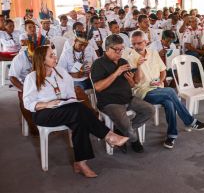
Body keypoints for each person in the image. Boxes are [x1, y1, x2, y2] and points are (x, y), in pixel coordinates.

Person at [23, 45, 129, 177]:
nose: (55, 57)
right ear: (41, 60)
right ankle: (109, 136)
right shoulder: (32, 77)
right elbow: (27, 103)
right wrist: (47, 104)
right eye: (51, 55)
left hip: (65, 107)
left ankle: (81, 163)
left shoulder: (61, 72)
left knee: (79, 120)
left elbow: (70, 93)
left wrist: (70, 100)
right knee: (79, 111)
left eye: (54, 54)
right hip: (43, 112)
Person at [126, 31, 204, 149]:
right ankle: (189, 121)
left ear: (146, 42)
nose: (136, 47)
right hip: (142, 92)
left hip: (157, 88)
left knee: (170, 102)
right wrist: (138, 65)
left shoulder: (153, 53)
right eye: (134, 44)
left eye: (139, 43)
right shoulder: (130, 58)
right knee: (170, 92)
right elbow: (136, 82)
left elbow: (163, 70)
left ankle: (172, 135)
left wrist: (161, 80)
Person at [91, 34, 154, 152]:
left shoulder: (123, 61)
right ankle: (134, 140)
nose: (120, 52)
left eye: (122, 49)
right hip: (110, 102)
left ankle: (121, 131)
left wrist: (134, 75)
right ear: (107, 48)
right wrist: (116, 73)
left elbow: (133, 84)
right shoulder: (98, 64)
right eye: (117, 50)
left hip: (127, 98)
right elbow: (98, 88)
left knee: (150, 110)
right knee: (125, 124)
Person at [9, 41, 38, 135]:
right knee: (24, 99)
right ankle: (32, 125)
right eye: (31, 58)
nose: (34, 61)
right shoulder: (19, 58)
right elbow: (12, 77)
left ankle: (47, 121)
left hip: (39, 83)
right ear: (28, 55)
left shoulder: (40, 56)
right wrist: (24, 89)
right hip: (23, 84)